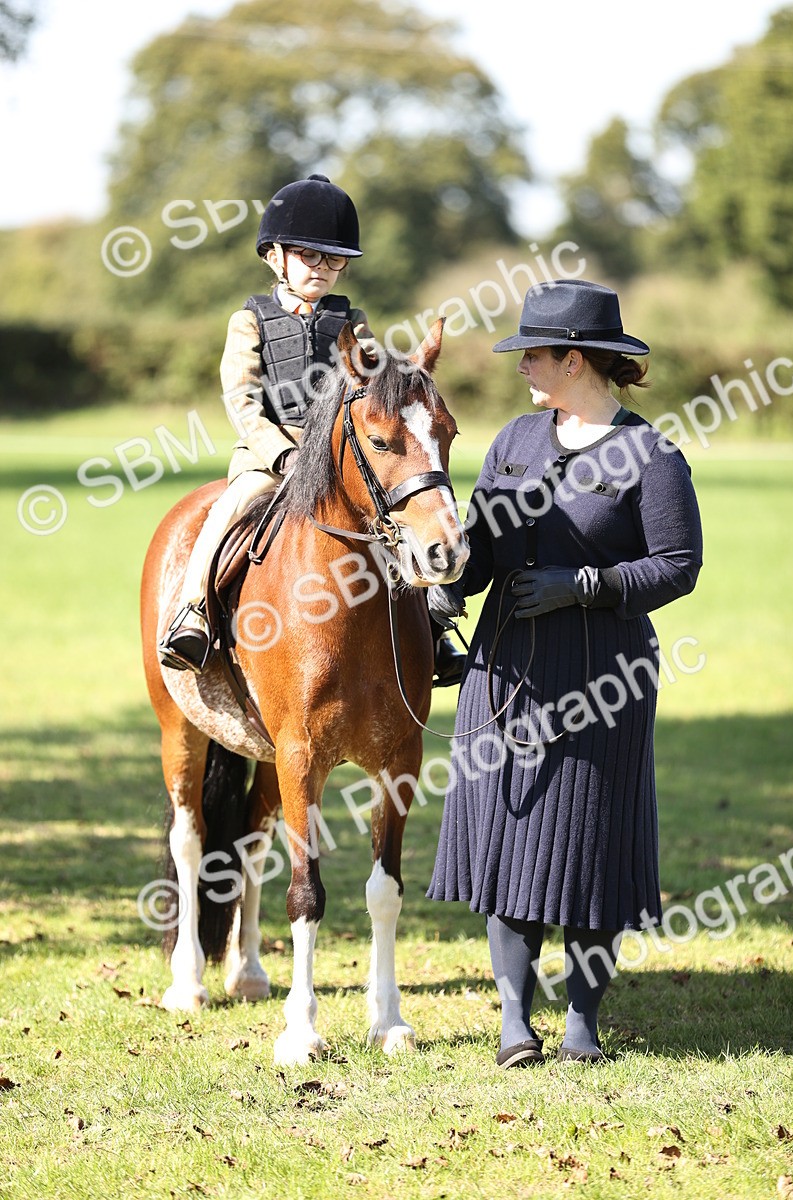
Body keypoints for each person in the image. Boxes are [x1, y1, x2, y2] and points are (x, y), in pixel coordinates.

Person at [426, 278, 703, 1067]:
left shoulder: (650, 456)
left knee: (589, 850)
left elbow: (679, 565)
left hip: (601, 684)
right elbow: (481, 549)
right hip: (504, 672)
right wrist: (448, 579)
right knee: (510, 842)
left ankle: (583, 1021)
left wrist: (586, 585)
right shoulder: (514, 440)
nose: (521, 367)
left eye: (534, 355)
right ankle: (515, 1020)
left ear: (574, 360)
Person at [158, 173, 466, 686]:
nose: (323, 269)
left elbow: (376, 382)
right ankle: (194, 614)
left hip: (339, 460)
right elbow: (241, 398)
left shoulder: (353, 320)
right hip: (268, 458)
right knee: (226, 513)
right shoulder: (249, 320)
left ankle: (432, 631)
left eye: (335, 259)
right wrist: (280, 454)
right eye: (309, 256)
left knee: (392, 523)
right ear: (275, 256)